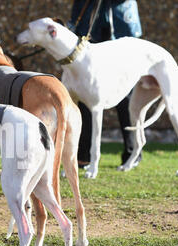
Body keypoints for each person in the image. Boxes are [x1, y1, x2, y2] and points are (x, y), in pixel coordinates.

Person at [68, 0, 143, 167]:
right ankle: (84, 154)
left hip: (121, 24)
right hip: (89, 24)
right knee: (85, 93)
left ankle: (132, 152)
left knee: (125, 95)